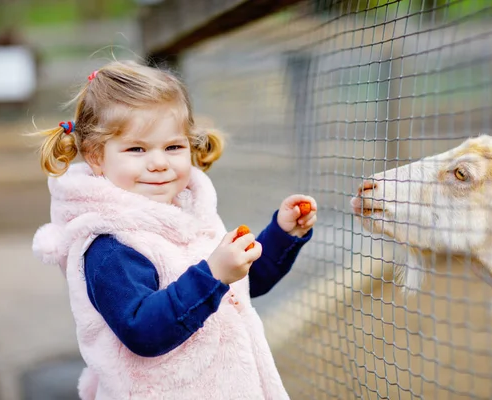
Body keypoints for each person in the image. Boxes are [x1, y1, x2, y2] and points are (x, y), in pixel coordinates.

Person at [30, 60, 317, 400]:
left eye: (173, 147)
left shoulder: (186, 215)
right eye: (137, 149)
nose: (159, 162)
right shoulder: (109, 246)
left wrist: (282, 235)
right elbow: (143, 330)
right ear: (95, 156)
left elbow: (238, 286)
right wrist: (213, 274)